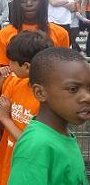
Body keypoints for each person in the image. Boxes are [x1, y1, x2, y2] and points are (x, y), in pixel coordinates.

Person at [9, 47, 90, 184]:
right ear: (40, 93)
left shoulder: (62, 133)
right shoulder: (36, 146)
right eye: (73, 89)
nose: (87, 97)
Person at [0, 31, 53, 185]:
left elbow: (32, 144)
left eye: (11, 61)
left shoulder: (47, 99)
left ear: (26, 66)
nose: (8, 65)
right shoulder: (16, 82)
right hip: (5, 163)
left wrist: (5, 118)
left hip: (26, 170)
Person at [0, 0, 69, 66]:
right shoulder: (4, 34)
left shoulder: (61, 33)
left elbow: (63, 67)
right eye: (23, 0)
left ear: (43, 2)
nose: (29, 4)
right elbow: (3, 69)